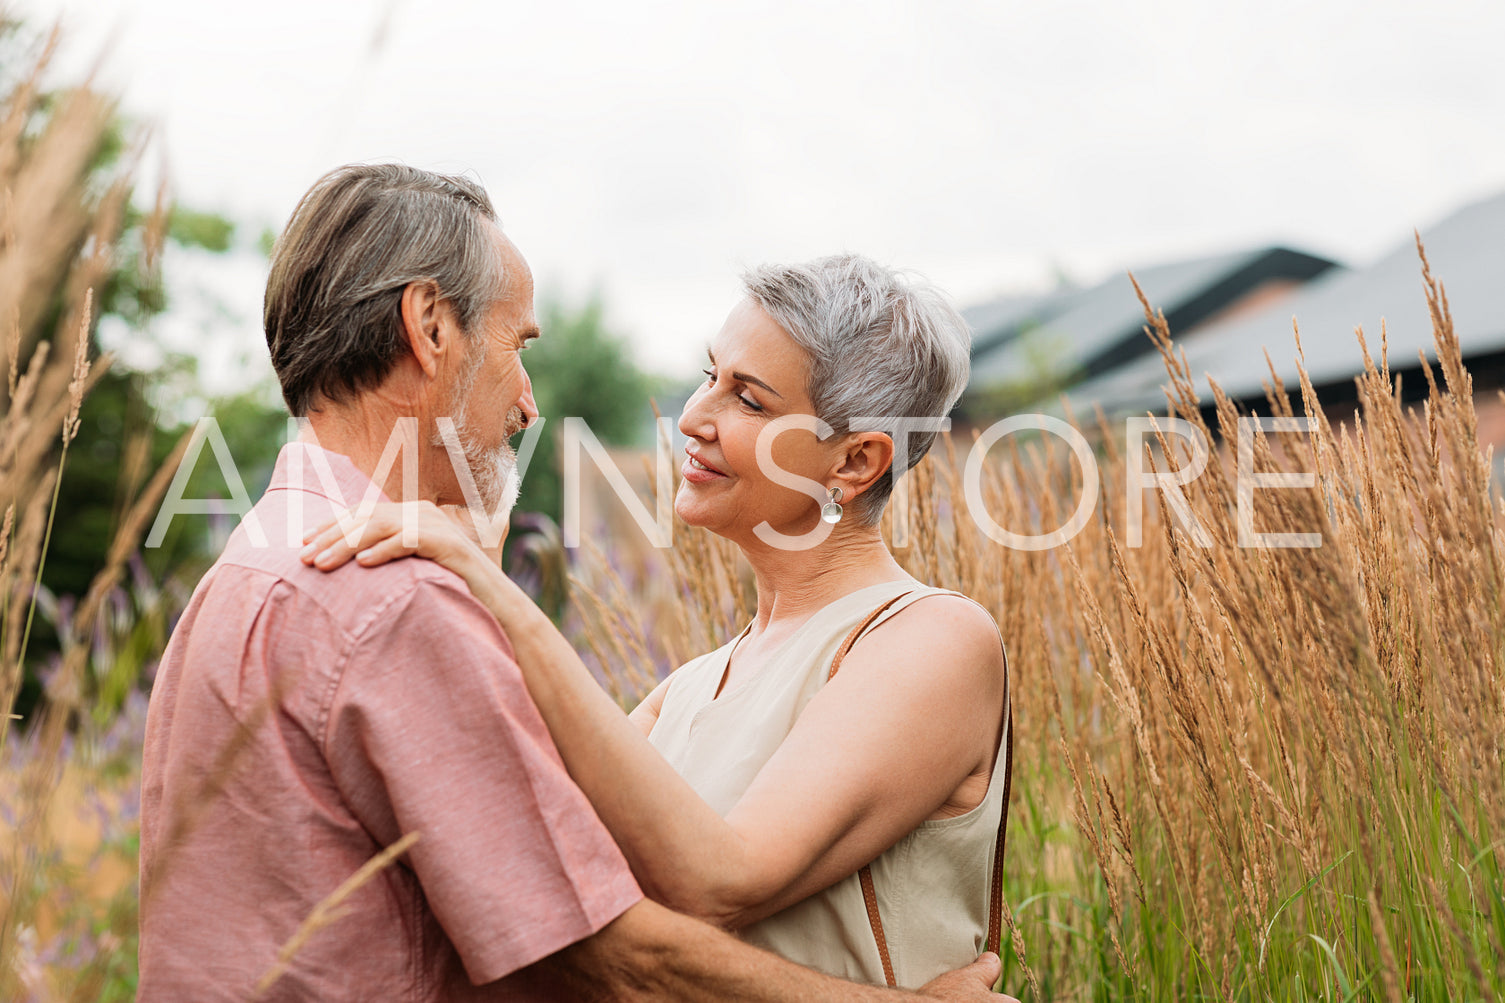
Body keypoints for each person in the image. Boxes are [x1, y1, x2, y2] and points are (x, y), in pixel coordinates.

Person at [137, 163, 1009, 1002]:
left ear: (857, 460)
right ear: (429, 328)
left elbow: (696, 888)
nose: (693, 417)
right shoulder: (678, 691)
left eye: (746, 397)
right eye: (710, 376)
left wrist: (487, 581)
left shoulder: (929, 640)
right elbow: (608, 943)